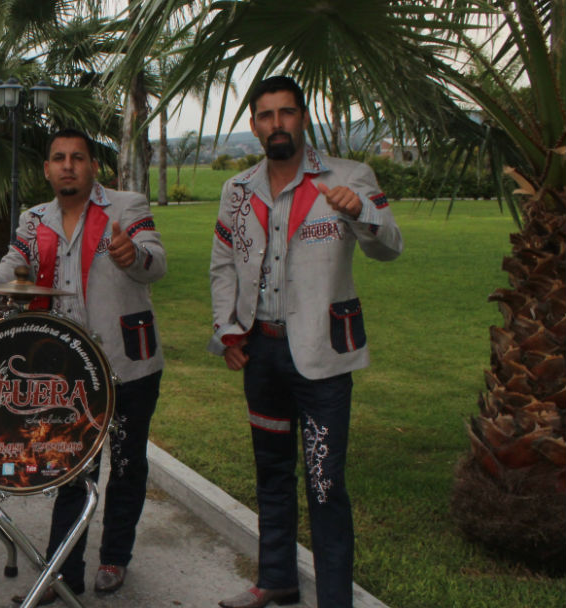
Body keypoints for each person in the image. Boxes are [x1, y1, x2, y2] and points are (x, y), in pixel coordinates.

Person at [209, 76, 403, 608]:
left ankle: (334, 599)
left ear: (303, 118)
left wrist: (360, 212)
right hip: (262, 353)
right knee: (271, 471)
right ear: (254, 125)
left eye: (287, 113)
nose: (277, 124)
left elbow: (391, 247)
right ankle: (276, 579)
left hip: (321, 353)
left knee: (323, 482)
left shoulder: (349, 177)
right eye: (266, 115)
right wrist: (227, 330)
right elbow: (224, 263)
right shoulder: (238, 190)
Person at [0, 128, 168, 605]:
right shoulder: (34, 220)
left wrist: (134, 255)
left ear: (93, 166)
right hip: (69, 375)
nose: (67, 165)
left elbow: (156, 264)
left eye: (77, 157)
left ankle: (115, 557)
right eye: (58, 158)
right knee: (71, 467)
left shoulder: (127, 207)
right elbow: (14, 265)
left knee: (129, 464)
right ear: (47, 169)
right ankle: (62, 571)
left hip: (128, 363)